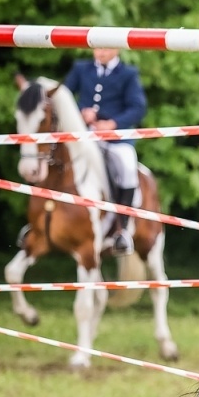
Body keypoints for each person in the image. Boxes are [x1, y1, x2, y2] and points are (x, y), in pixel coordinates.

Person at [64, 47, 147, 255]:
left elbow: (138, 107)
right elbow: (62, 98)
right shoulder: (80, 69)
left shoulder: (128, 74)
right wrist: (78, 113)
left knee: (128, 166)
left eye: (105, 48)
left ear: (116, 49)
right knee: (50, 157)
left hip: (114, 139)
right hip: (83, 136)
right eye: (97, 47)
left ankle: (123, 229)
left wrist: (112, 123)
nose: (100, 52)